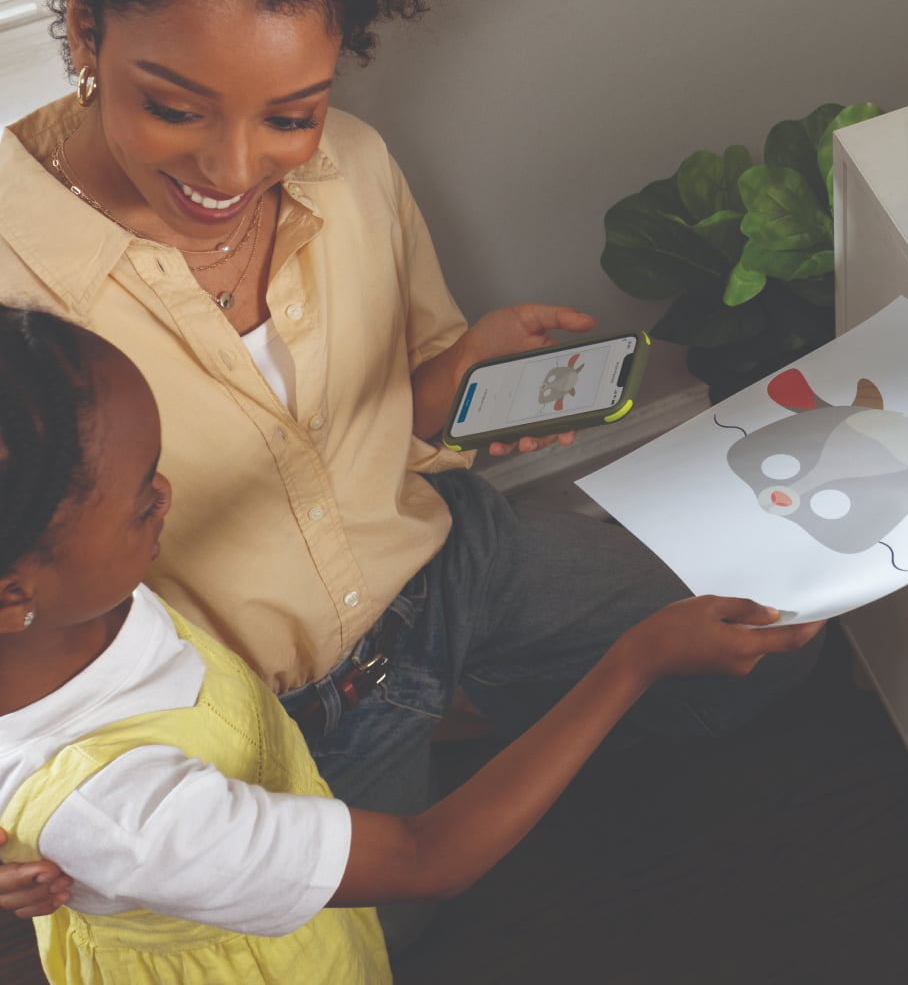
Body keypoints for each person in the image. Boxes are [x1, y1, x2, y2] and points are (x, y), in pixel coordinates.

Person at [0, 0, 825, 937]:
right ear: (83, 23)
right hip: (272, 726)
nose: (232, 171)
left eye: (291, 112)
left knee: (770, 633)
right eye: (173, 105)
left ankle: (476, 704)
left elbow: (393, 404)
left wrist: (462, 370)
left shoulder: (360, 171)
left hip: (446, 560)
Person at [0, 302, 821, 983]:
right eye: (141, 499)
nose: (167, 493)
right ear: (13, 593)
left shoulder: (65, 604)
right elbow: (428, 857)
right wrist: (633, 661)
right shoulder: (132, 813)